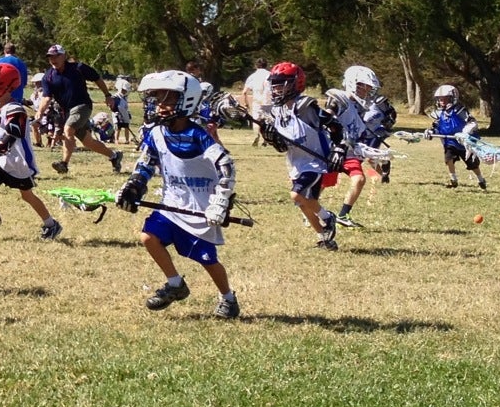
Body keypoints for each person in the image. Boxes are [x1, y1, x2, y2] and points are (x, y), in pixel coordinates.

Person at [115, 70, 241, 318]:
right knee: (148, 236)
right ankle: (175, 284)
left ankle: (228, 298)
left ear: (187, 100)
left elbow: (227, 167)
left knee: (207, 260)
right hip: (171, 204)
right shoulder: (157, 133)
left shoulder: (198, 135)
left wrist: (220, 201)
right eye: (157, 99)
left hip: (199, 209)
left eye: (168, 99)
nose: (160, 105)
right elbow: (146, 164)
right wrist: (134, 186)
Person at [251, 61, 342, 249]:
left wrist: (339, 147)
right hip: (296, 163)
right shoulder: (277, 110)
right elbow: (282, 146)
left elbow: (334, 125)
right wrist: (270, 136)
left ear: (294, 84)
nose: (275, 88)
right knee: (305, 203)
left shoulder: (306, 106)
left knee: (296, 195)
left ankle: (327, 217)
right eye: (273, 84)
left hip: (315, 161)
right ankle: (325, 237)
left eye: (280, 84)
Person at [0, 61, 60, 238]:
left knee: (27, 195)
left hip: (17, 160)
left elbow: (11, 136)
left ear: (3, 85)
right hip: (2, 157)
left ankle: (51, 224)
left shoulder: (15, 109)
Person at [32, 44, 122, 176]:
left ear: (64, 56)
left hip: (83, 106)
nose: (53, 59)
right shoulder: (48, 77)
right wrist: (40, 112)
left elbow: (97, 78)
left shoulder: (78, 68)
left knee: (68, 129)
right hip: (67, 111)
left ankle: (64, 164)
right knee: (88, 142)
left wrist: (108, 95)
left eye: (56, 56)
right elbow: (46, 97)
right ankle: (114, 156)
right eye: (50, 57)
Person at [327, 65, 395, 219]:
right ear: (354, 84)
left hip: (349, 149)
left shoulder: (361, 106)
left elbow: (357, 130)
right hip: (332, 150)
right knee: (323, 183)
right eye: (365, 88)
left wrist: (365, 148)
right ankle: (312, 211)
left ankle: (343, 216)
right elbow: (326, 119)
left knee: (359, 179)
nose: (368, 91)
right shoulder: (339, 99)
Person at [429, 84, 488, 190]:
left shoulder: (459, 110)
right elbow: (437, 126)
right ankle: (453, 179)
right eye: (440, 99)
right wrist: (430, 132)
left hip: (464, 143)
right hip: (450, 142)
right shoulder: (439, 113)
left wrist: (465, 132)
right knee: (448, 158)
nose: (442, 101)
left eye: (445, 99)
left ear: (452, 98)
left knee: (472, 164)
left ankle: (480, 179)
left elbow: (472, 122)